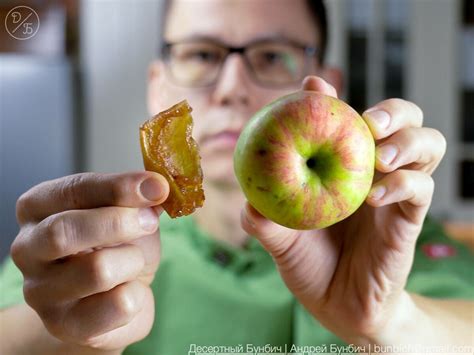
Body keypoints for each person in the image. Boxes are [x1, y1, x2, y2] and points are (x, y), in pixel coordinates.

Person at [0, 0, 473, 354]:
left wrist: (390, 319)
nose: (230, 89)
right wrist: (70, 333)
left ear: (327, 86)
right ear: (157, 86)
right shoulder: (95, 254)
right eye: (202, 55)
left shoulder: (388, 239)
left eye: (271, 57)